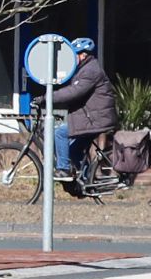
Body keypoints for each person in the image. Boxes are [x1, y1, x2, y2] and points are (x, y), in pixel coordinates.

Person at [50, 37, 117, 181]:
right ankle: (86, 181)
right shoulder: (86, 69)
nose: (71, 59)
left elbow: (73, 92)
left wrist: (47, 97)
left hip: (95, 120)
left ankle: (63, 170)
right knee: (74, 152)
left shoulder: (90, 71)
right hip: (91, 118)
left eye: (73, 55)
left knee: (60, 133)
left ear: (82, 55)